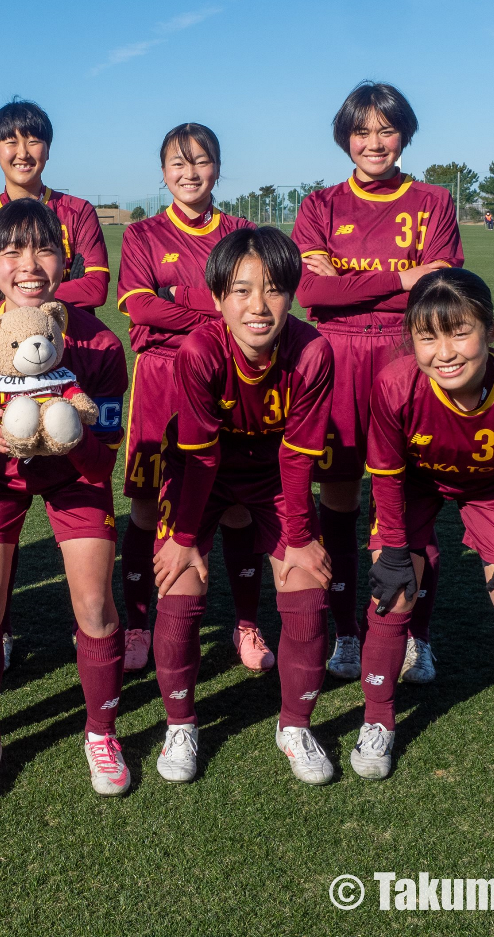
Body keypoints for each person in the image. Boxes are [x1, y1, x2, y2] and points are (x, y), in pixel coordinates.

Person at [0, 198, 128, 800]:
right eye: (12, 251)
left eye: (44, 248)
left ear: (65, 258)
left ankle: (101, 732)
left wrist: (71, 439)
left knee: (96, 603)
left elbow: (105, 460)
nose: (30, 264)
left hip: (73, 478)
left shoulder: (98, 343)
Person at [356, 268, 494, 788]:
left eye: (460, 332)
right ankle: (377, 719)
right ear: (412, 340)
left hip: (493, 487)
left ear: (491, 330)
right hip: (413, 482)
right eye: (427, 337)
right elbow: (385, 475)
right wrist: (391, 549)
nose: (444, 352)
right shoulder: (394, 385)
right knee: (394, 591)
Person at [290, 82, 464, 685]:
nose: (373, 142)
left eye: (385, 130)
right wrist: (402, 273)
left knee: (412, 507)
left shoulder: (434, 202)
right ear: (345, 138)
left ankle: (417, 635)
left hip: (408, 358)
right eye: (361, 131)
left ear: (404, 135)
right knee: (338, 497)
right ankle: (345, 633)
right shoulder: (320, 205)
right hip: (333, 359)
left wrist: (353, 278)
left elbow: (437, 286)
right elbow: (310, 292)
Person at [151, 227, 335, 784]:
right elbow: (201, 459)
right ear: (216, 299)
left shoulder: (312, 351)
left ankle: (296, 726)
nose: (258, 306)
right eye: (241, 290)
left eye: (274, 289)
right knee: (179, 595)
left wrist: (300, 538)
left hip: (274, 475)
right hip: (197, 472)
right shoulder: (199, 350)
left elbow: (300, 458)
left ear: (293, 294)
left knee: (306, 596)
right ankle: (181, 723)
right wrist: (183, 539)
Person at [115, 123, 263, 674]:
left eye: (201, 161)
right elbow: (139, 307)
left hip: (231, 375)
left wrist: (177, 295)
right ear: (163, 172)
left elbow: (256, 307)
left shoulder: (242, 232)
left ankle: (246, 622)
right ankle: (136, 624)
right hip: (160, 381)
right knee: (148, 504)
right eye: (178, 164)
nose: (190, 173)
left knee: (238, 506)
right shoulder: (143, 234)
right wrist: (217, 304)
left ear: (218, 168)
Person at [0, 100, 111, 314]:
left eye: (33, 141)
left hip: (73, 340)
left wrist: (9, 292)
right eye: (11, 142)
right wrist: (59, 288)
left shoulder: (79, 212)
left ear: (48, 150)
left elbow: (95, 289)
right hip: (7, 343)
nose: (23, 153)